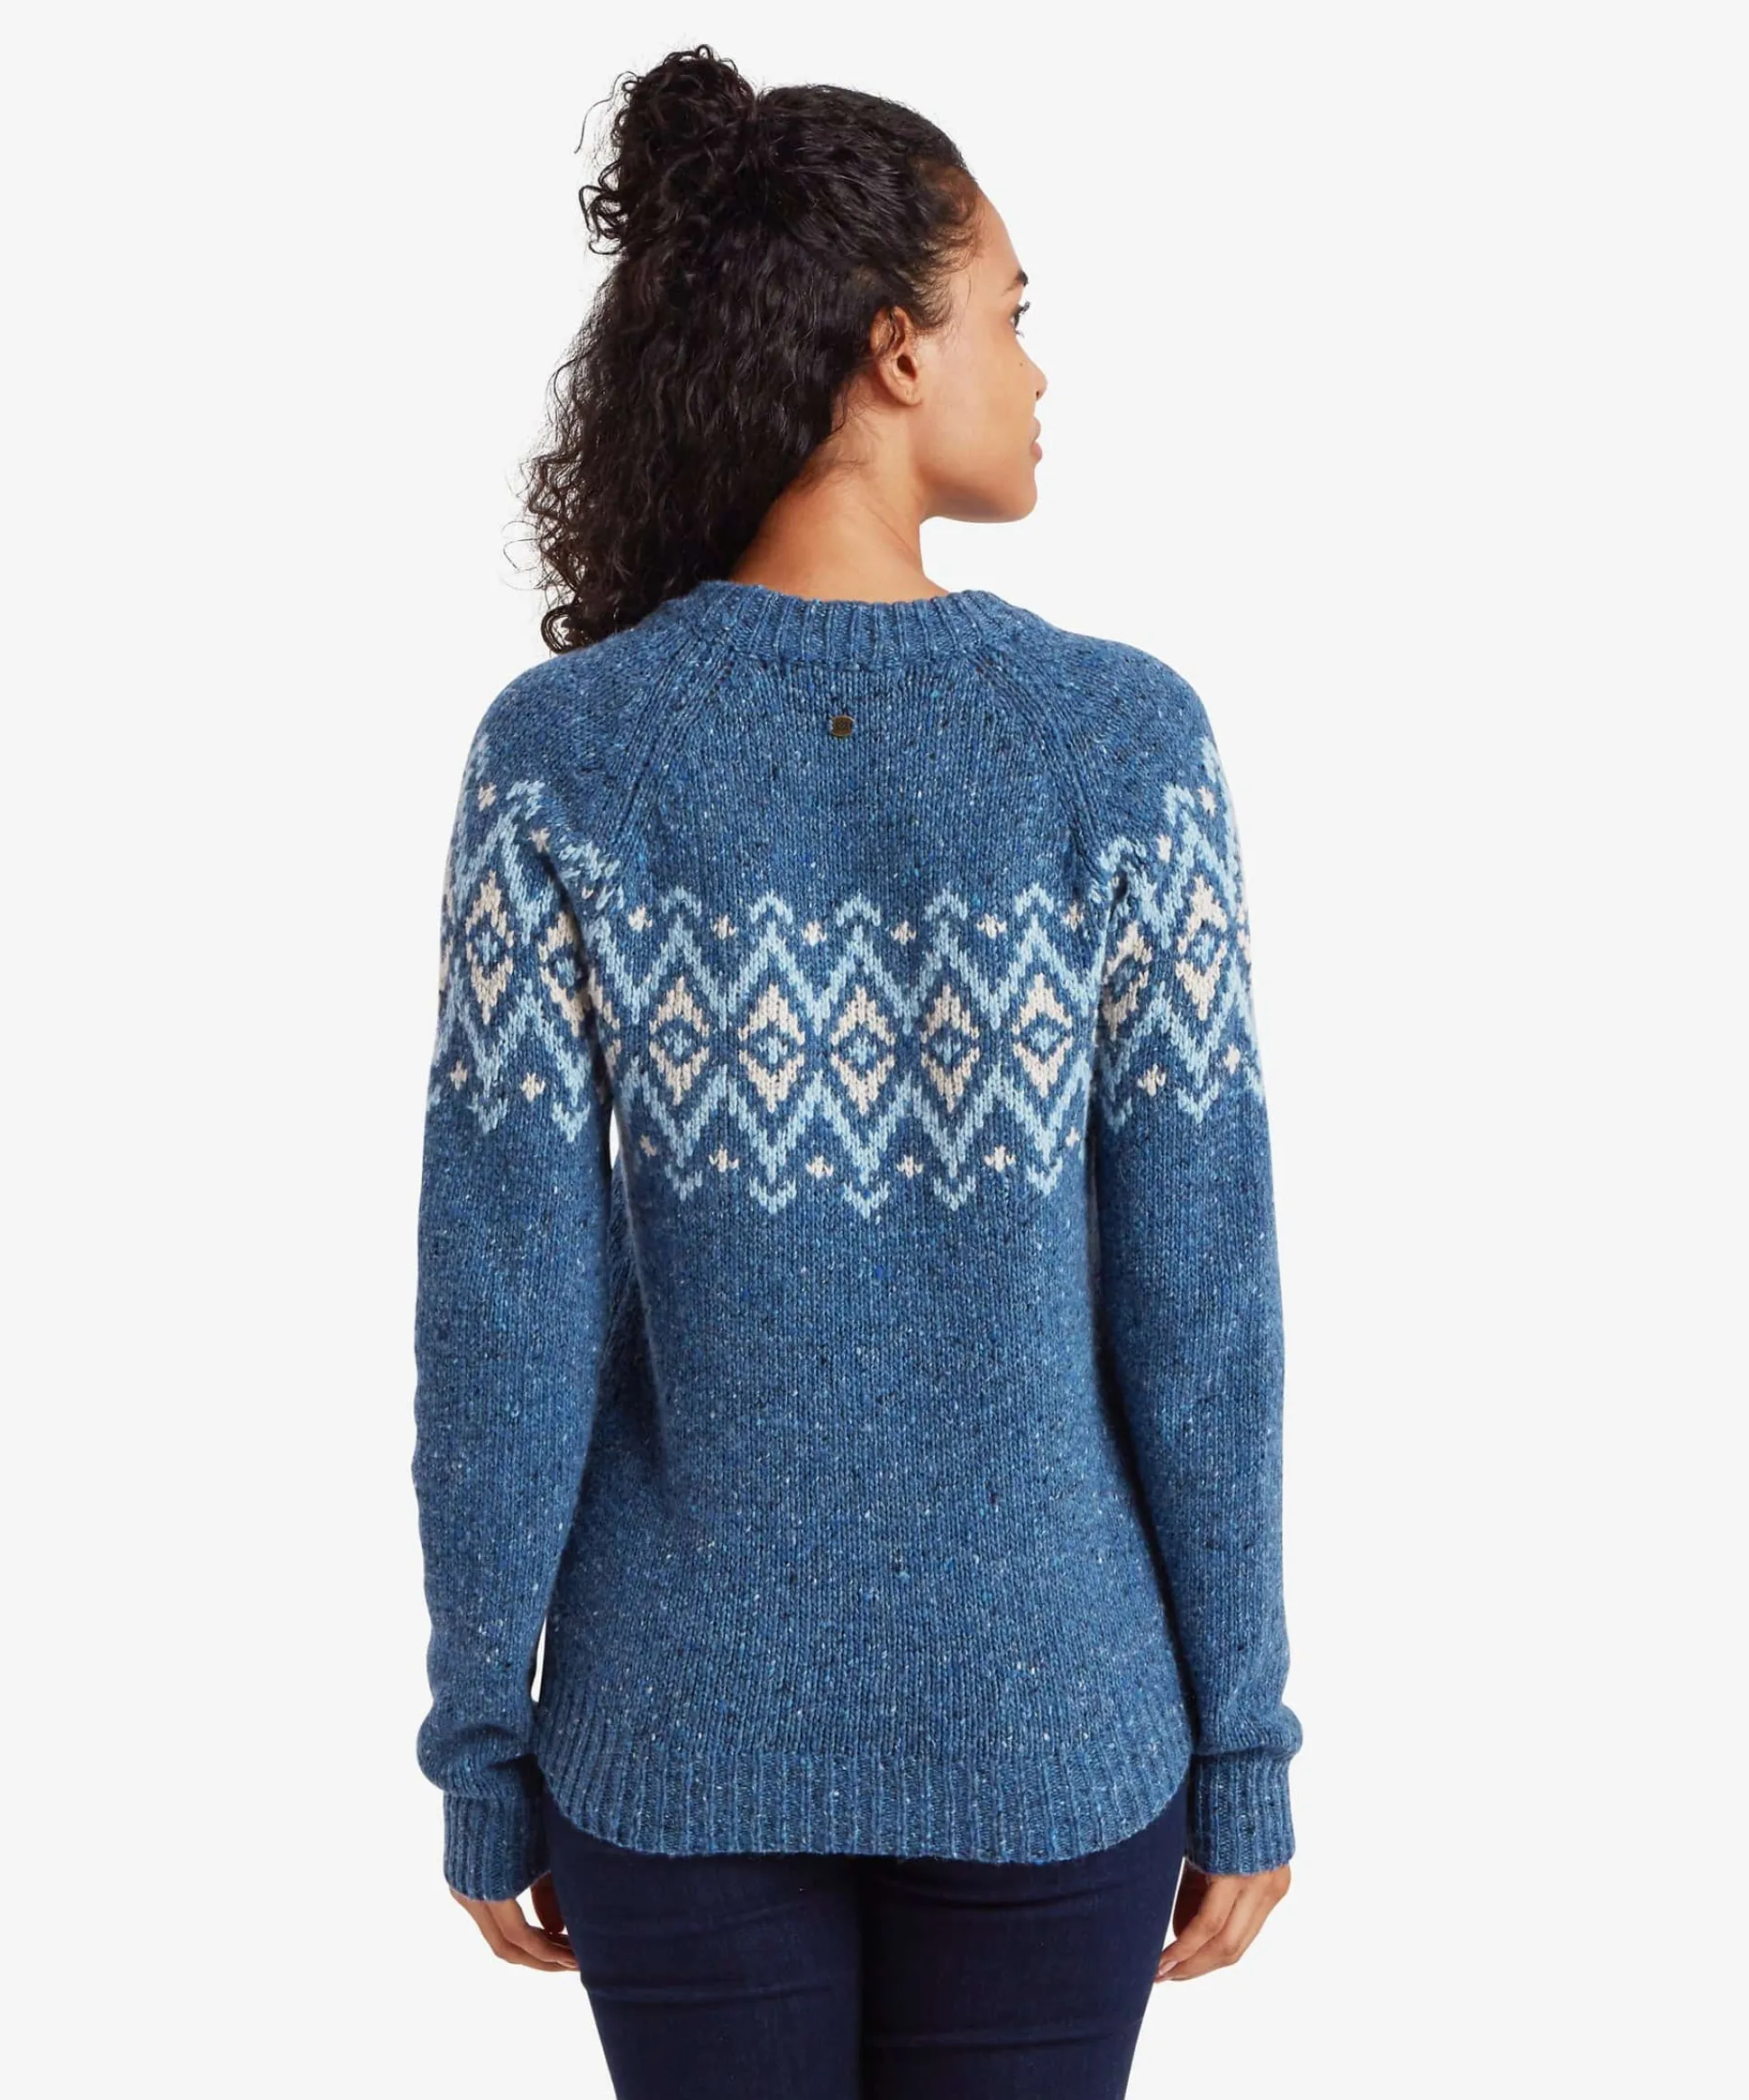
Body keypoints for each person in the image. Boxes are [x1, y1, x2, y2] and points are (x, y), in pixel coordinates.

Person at [409, 41, 1303, 2100]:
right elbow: (1202, 1306)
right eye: (1014, 313)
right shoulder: (1120, 748)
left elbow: (503, 1308)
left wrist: (481, 1743)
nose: (1039, 373)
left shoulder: (566, 758)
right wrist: (1243, 1736)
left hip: (667, 1736)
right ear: (897, 349)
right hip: (1054, 1721)